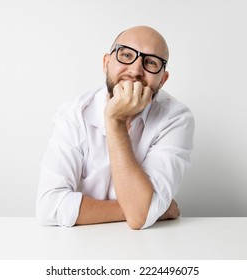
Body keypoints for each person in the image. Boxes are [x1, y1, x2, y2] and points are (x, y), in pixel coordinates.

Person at [36, 26, 194, 230]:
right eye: (126, 54)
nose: (136, 70)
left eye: (151, 62)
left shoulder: (176, 118)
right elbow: (49, 207)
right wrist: (152, 209)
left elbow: (139, 218)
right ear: (106, 63)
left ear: (162, 80)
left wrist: (115, 121)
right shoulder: (73, 113)